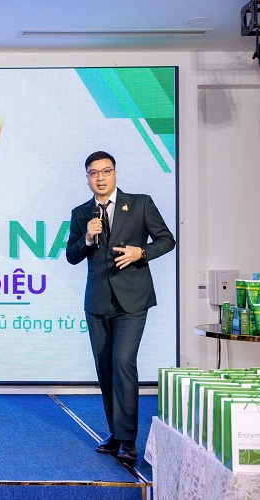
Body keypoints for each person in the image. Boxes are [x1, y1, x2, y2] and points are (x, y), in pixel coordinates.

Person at [66, 151, 175, 464]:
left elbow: (167, 240)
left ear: (115, 173)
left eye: (106, 171)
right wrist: (88, 238)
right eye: (93, 173)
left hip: (133, 301)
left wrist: (142, 252)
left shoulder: (140, 204)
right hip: (97, 302)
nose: (100, 178)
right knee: (106, 369)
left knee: (123, 361)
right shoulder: (81, 213)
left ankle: (128, 440)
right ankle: (115, 433)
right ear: (87, 178)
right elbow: (71, 255)